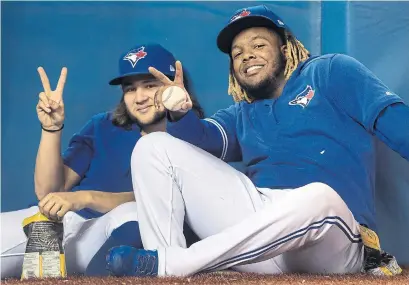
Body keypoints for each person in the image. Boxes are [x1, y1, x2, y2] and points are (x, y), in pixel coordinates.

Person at [106, 5, 405, 277]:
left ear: (286, 48)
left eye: (259, 45)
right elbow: (202, 140)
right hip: (263, 240)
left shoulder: (329, 72)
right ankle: (164, 265)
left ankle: (173, 265)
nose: (247, 55)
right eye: (237, 53)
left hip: (334, 239)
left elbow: (397, 125)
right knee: (152, 146)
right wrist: (181, 113)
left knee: (318, 197)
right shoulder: (241, 113)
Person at [1, 43, 203, 278]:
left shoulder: (193, 137)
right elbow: (49, 192)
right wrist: (51, 129)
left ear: (173, 86)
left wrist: (86, 197)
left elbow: (162, 203)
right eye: (130, 89)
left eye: (149, 85)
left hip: (104, 235)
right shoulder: (103, 126)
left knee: (135, 216)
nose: (139, 97)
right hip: (56, 224)